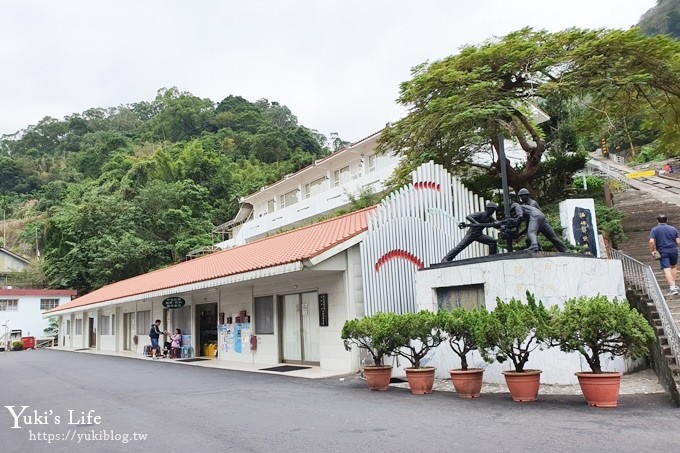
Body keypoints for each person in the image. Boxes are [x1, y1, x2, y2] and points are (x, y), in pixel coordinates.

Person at [649, 214, 680, 295]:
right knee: (673, 266)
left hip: (663, 251)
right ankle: (673, 284)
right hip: (673, 250)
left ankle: (672, 288)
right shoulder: (673, 229)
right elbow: (678, 241)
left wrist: (653, 250)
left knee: (666, 269)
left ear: (657, 221)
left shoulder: (654, 230)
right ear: (667, 220)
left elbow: (651, 241)